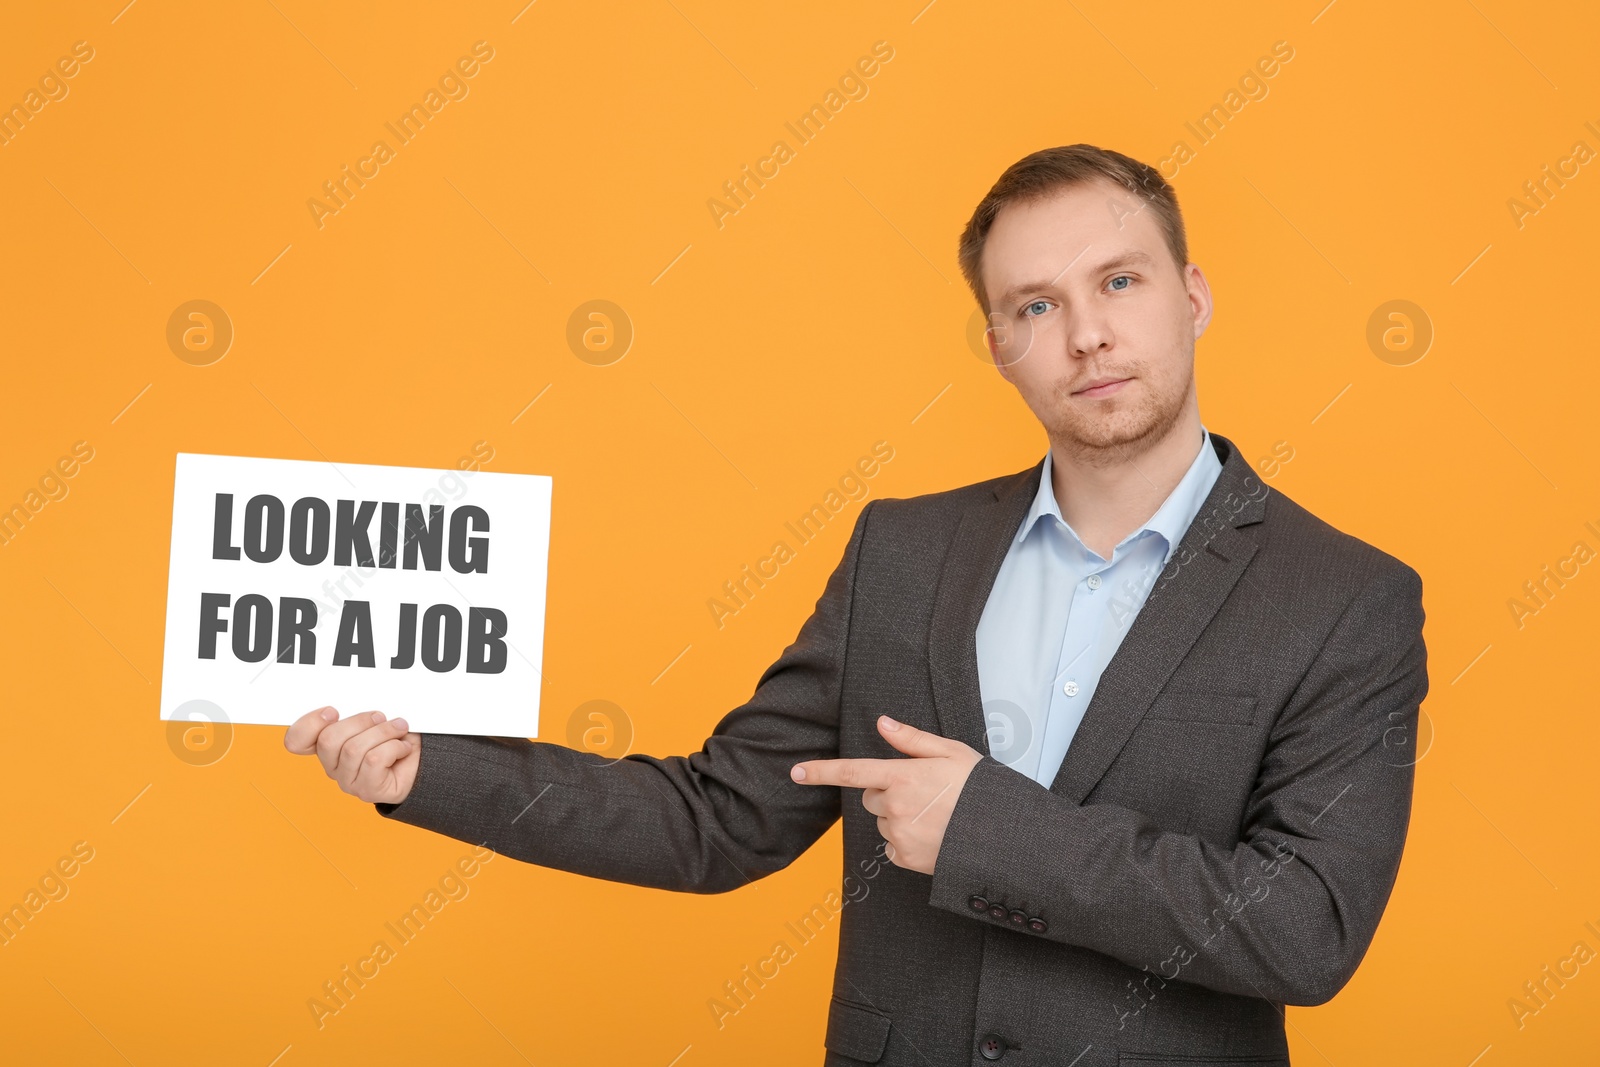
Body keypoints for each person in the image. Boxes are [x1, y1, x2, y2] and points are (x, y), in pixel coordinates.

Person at [285, 144, 1427, 1066]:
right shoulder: (904, 549)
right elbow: (716, 817)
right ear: (997, 345)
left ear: (1191, 296)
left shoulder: (1345, 598)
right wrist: (422, 766)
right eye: (1033, 304)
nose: (1084, 333)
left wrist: (982, 828)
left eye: (1117, 281)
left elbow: (1303, 927)